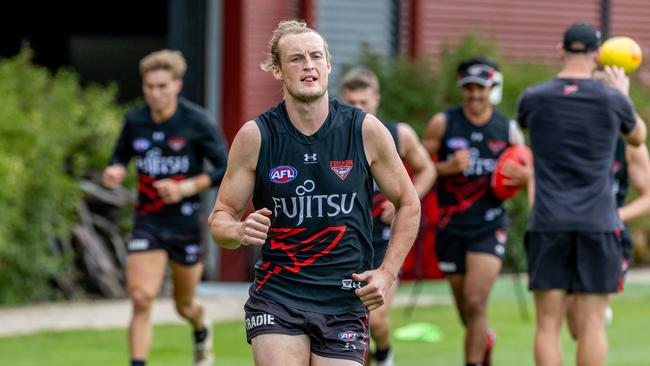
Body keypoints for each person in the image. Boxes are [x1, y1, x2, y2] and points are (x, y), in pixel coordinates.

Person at [208, 20, 421, 366]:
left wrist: (387, 272)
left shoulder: (365, 130)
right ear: (277, 70)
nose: (308, 64)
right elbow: (219, 218)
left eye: (315, 56)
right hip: (278, 295)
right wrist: (237, 230)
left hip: (344, 300)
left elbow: (409, 203)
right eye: (295, 59)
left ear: (328, 65)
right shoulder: (256, 137)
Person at [516, 22, 646, 366]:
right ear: (598, 55)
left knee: (547, 324)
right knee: (591, 325)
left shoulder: (533, 98)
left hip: (548, 223)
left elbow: (523, 130)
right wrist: (622, 94)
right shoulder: (611, 99)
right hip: (598, 224)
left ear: (561, 50)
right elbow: (638, 138)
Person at [102, 49, 229, 366]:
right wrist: (115, 170)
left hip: (185, 223)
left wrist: (186, 187)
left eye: (162, 86)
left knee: (183, 305)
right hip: (148, 219)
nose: (155, 93)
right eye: (149, 87)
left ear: (177, 86)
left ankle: (200, 327)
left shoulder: (197, 121)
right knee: (141, 298)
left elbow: (225, 168)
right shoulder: (135, 120)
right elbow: (119, 157)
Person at [422, 56, 528, 366]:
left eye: (480, 88)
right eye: (468, 88)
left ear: (491, 88)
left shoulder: (506, 129)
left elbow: (527, 168)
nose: (474, 95)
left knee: (476, 301)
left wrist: (524, 177)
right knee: (466, 312)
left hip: (489, 224)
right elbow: (417, 167)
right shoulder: (443, 123)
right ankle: (485, 339)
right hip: (451, 225)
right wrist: (447, 167)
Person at [340, 68, 436, 366]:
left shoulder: (398, 133)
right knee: (352, 324)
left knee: (376, 319)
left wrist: (403, 202)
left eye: (364, 102)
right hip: (344, 240)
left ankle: (385, 353)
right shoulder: (331, 134)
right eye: (351, 102)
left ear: (376, 100)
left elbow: (427, 169)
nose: (358, 108)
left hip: (383, 239)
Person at [565, 74, 650, 338]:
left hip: (609, 235)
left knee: (591, 323)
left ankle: (598, 311)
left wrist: (614, 215)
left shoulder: (628, 143)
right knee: (576, 330)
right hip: (569, 231)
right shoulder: (568, 135)